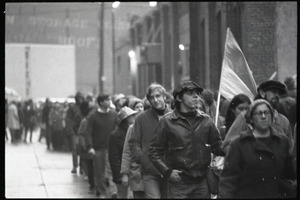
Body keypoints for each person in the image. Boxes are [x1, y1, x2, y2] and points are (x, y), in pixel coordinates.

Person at [148, 80, 225, 198]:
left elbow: (217, 145)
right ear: (179, 97)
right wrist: (167, 172)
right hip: (179, 183)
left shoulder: (206, 120)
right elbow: (153, 151)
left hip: (202, 181)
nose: (196, 96)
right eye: (190, 93)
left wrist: (231, 146)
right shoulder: (167, 121)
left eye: (197, 93)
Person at [219, 99, 296, 198]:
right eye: (258, 113)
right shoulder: (239, 144)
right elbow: (228, 180)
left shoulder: (282, 142)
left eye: (266, 113)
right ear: (251, 118)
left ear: (272, 116)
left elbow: (289, 175)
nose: (263, 116)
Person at [223, 80, 293, 154]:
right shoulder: (245, 116)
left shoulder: (284, 121)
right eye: (274, 91)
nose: (277, 95)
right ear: (262, 93)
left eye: (279, 93)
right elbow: (227, 146)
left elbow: (290, 150)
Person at [129, 83, 171, 198]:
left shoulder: (174, 116)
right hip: (150, 170)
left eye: (158, 96)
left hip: (170, 169)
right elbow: (134, 141)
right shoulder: (141, 118)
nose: (155, 100)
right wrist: (142, 158)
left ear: (165, 97)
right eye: (152, 98)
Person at [86, 94, 118, 198]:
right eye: (107, 100)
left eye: (109, 99)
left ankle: (112, 191)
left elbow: (117, 130)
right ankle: (102, 192)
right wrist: (90, 147)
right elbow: (88, 132)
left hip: (111, 148)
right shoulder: (93, 116)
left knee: (111, 171)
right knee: (99, 172)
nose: (109, 101)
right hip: (98, 148)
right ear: (100, 102)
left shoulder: (114, 115)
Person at [109, 106, 138, 198]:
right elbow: (114, 158)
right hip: (122, 174)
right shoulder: (115, 135)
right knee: (122, 196)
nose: (134, 117)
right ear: (125, 119)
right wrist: (120, 176)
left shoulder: (137, 130)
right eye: (131, 115)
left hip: (135, 172)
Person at [120, 97, 145, 199]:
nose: (140, 109)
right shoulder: (132, 128)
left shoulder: (152, 124)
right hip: (137, 172)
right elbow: (127, 152)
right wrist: (125, 174)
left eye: (141, 106)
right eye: (137, 107)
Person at [77, 100, 94, 194]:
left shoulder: (93, 120)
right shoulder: (85, 121)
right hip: (87, 147)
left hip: (94, 146)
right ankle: (92, 184)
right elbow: (80, 134)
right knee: (89, 166)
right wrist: (84, 145)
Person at [66, 91, 85, 174]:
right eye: (79, 98)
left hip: (82, 130)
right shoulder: (72, 108)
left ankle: (82, 167)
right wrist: (69, 130)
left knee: (82, 149)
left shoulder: (84, 107)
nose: (80, 100)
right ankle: (75, 166)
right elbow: (68, 119)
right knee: (74, 149)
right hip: (74, 130)